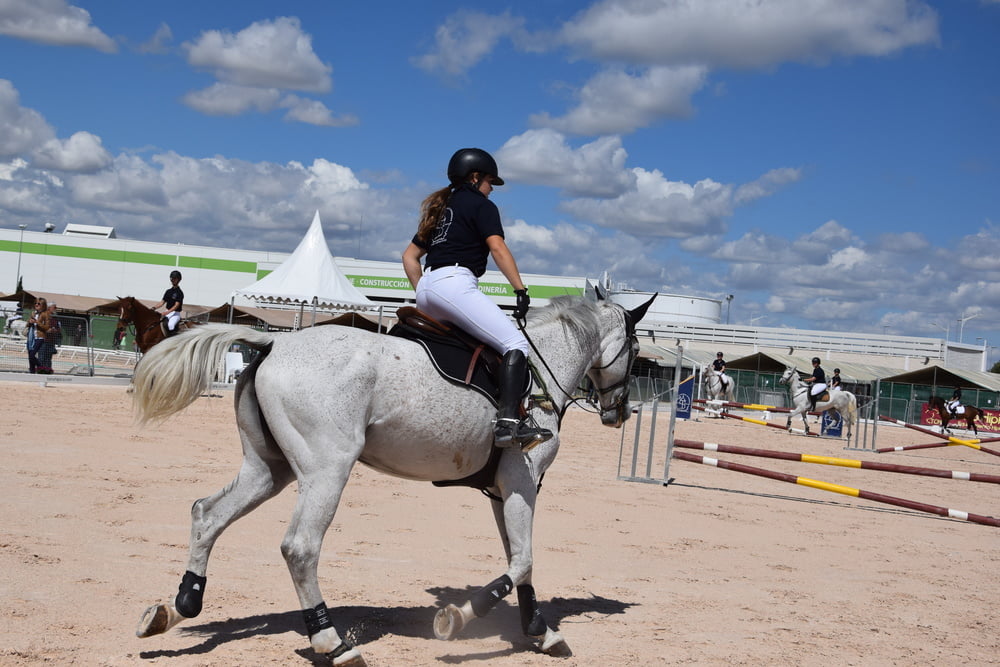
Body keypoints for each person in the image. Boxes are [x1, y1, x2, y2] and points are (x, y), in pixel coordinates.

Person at [402, 147, 552, 450]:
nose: (490, 190)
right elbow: (497, 248)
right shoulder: (481, 206)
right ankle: (509, 423)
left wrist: (423, 290)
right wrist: (520, 289)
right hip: (455, 283)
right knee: (515, 344)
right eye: (489, 183)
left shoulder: (440, 208)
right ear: (475, 177)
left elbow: (409, 257)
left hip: (427, 286)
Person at [154, 270, 184, 335]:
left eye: (175, 278)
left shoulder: (180, 293)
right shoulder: (168, 291)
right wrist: (154, 308)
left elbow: (176, 305)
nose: (173, 280)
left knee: (171, 325)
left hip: (175, 314)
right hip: (167, 312)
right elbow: (162, 302)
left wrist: (167, 312)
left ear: (178, 280)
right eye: (172, 278)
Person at [25, 298, 49, 374]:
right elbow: (27, 324)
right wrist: (30, 322)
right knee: (30, 355)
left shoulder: (45, 314)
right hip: (31, 337)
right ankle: (32, 372)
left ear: (43, 305)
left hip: (40, 337)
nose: (36, 305)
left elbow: (46, 327)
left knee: (32, 355)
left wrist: (37, 322)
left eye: (38, 304)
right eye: (35, 303)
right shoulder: (33, 313)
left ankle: (41, 368)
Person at [38, 302, 61, 374]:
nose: (55, 309)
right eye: (54, 307)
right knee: (42, 357)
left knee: (48, 358)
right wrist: (46, 329)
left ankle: (48, 371)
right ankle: (40, 371)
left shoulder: (55, 318)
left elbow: (58, 329)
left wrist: (55, 330)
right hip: (43, 340)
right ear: (49, 308)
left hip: (51, 341)